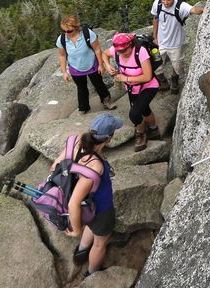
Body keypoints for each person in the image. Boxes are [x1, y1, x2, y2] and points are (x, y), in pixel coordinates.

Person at [64, 113, 123, 277]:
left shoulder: (74, 141)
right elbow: (73, 203)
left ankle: (81, 252)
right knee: (100, 244)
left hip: (87, 207)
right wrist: (76, 230)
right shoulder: (95, 166)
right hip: (101, 208)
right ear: (108, 138)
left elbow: (56, 167)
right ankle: (91, 274)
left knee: (91, 224)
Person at [105, 32, 162, 150]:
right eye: (119, 51)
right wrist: (107, 66)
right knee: (144, 109)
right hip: (132, 88)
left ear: (131, 45)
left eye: (125, 50)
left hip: (148, 86)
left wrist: (125, 78)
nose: (122, 53)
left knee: (134, 113)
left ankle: (141, 133)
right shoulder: (116, 50)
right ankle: (153, 129)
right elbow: (104, 54)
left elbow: (147, 76)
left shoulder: (140, 52)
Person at [55, 15, 116, 114]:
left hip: (92, 64)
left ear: (76, 27)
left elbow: (97, 49)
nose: (66, 33)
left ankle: (107, 101)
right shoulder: (62, 39)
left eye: (69, 31)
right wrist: (64, 72)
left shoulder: (87, 34)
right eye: (64, 31)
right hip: (75, 68)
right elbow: (62, 56)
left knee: (99, 84)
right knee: (81, 87)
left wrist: (101, 65)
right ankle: (84, 107)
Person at [150, 0, 204, 93]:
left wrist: (207, 8)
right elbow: (155, 19)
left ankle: (175, 79)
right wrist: (154, 37)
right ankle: (162, 81)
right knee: (156, 63)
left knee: (177, 65)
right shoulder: (157, 3)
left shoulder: (181, 6)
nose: (165, 2)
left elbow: (194, 10)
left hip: (176, 44)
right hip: (160, 42)